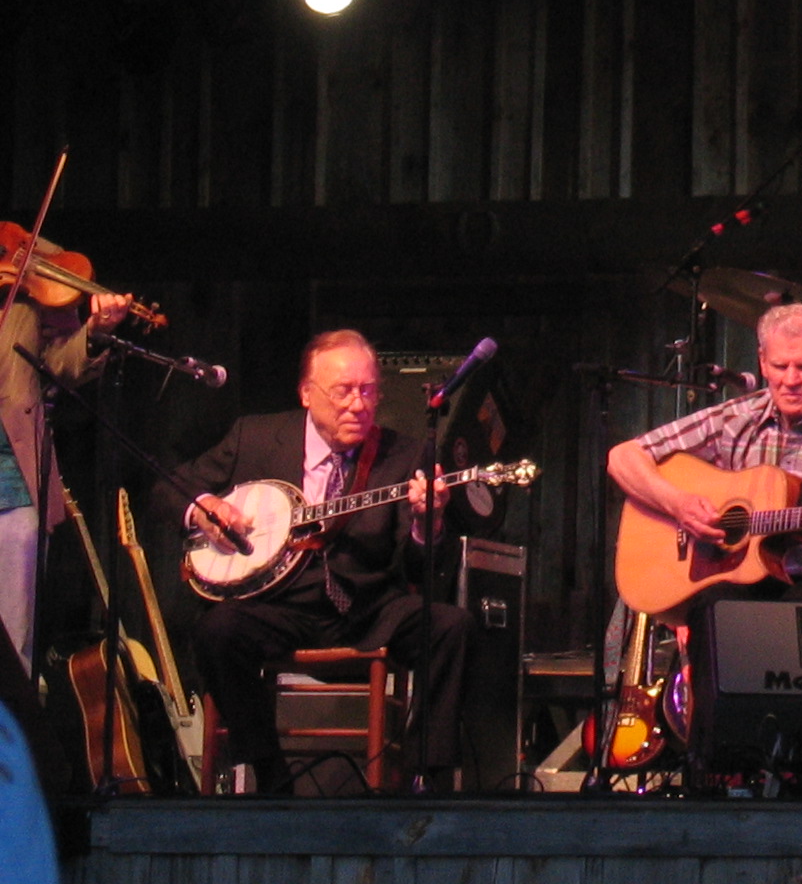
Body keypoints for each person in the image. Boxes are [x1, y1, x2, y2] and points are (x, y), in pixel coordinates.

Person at [175, 329, 467, 793]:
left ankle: (421, 779)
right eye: (344, 391)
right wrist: (205, 509)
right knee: (216, 630)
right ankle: (269, 773)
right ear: (307, 394)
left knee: (449, 625)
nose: (358, 404)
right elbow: (170, 488)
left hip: (364, 606)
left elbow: (417, 570)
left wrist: (425, 525)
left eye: (368, 391)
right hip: (277, 606)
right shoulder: (256, 437)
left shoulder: (407, 455)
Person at [607, 303, 802, 603]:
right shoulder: (734, 419)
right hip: (745, 578)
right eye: (779, 366)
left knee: (801, 607)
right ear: (762, 362)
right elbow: (623, 457)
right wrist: (677, 504)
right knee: (714, 605)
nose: (790, 380)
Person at [0, 273, 133, 676]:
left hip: (9, 482)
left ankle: (10, 735)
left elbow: (64, 362)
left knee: (11, 640)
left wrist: (96, 330)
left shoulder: (28, 273)